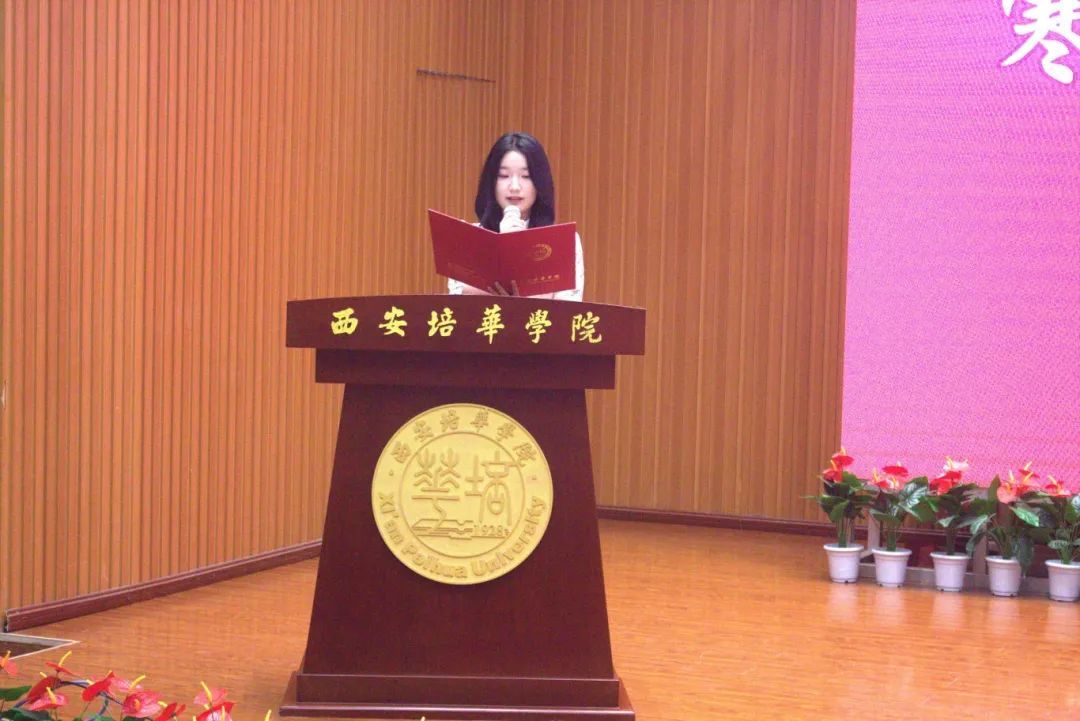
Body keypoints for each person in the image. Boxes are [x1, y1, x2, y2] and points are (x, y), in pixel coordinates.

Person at [447, 132, 584, 301]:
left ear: (540, 182)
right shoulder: (467, 239)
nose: (514, 187)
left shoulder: (564, 242)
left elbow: (568, 310)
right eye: (504, 176)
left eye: (526, 176)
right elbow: (456, 306)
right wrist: (501, 247)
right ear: (491, 181)